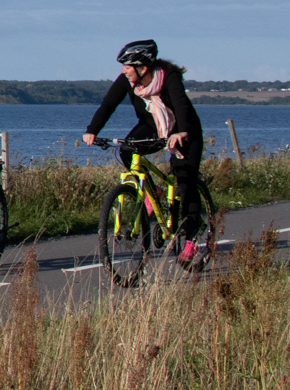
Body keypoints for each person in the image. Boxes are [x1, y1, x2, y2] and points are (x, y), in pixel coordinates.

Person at [83, 38, 207, 257]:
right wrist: (92, 130)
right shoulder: (127, 81)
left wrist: (182, 131)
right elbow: (108, 104)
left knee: (185, 181)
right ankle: (153, 192)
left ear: (142, 67)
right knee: (126, 149)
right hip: (151, 127)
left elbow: (181, 105)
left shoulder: (169, 77)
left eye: (127, 67)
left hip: (184, 129)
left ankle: (190, 240)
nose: (124, 71)